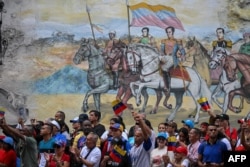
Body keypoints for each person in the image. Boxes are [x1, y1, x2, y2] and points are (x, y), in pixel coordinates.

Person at [159, 26, 185, 92]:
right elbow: (161, 50)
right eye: (167, 32)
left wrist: (182, 55)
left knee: (164, 68)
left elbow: (182, 50)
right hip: (165, 57)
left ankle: (167, 86)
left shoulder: (177, 41)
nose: (168, 33)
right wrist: (161, 56)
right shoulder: (163, 41)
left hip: (172, 58)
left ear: (173, 32)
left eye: (169, 32)